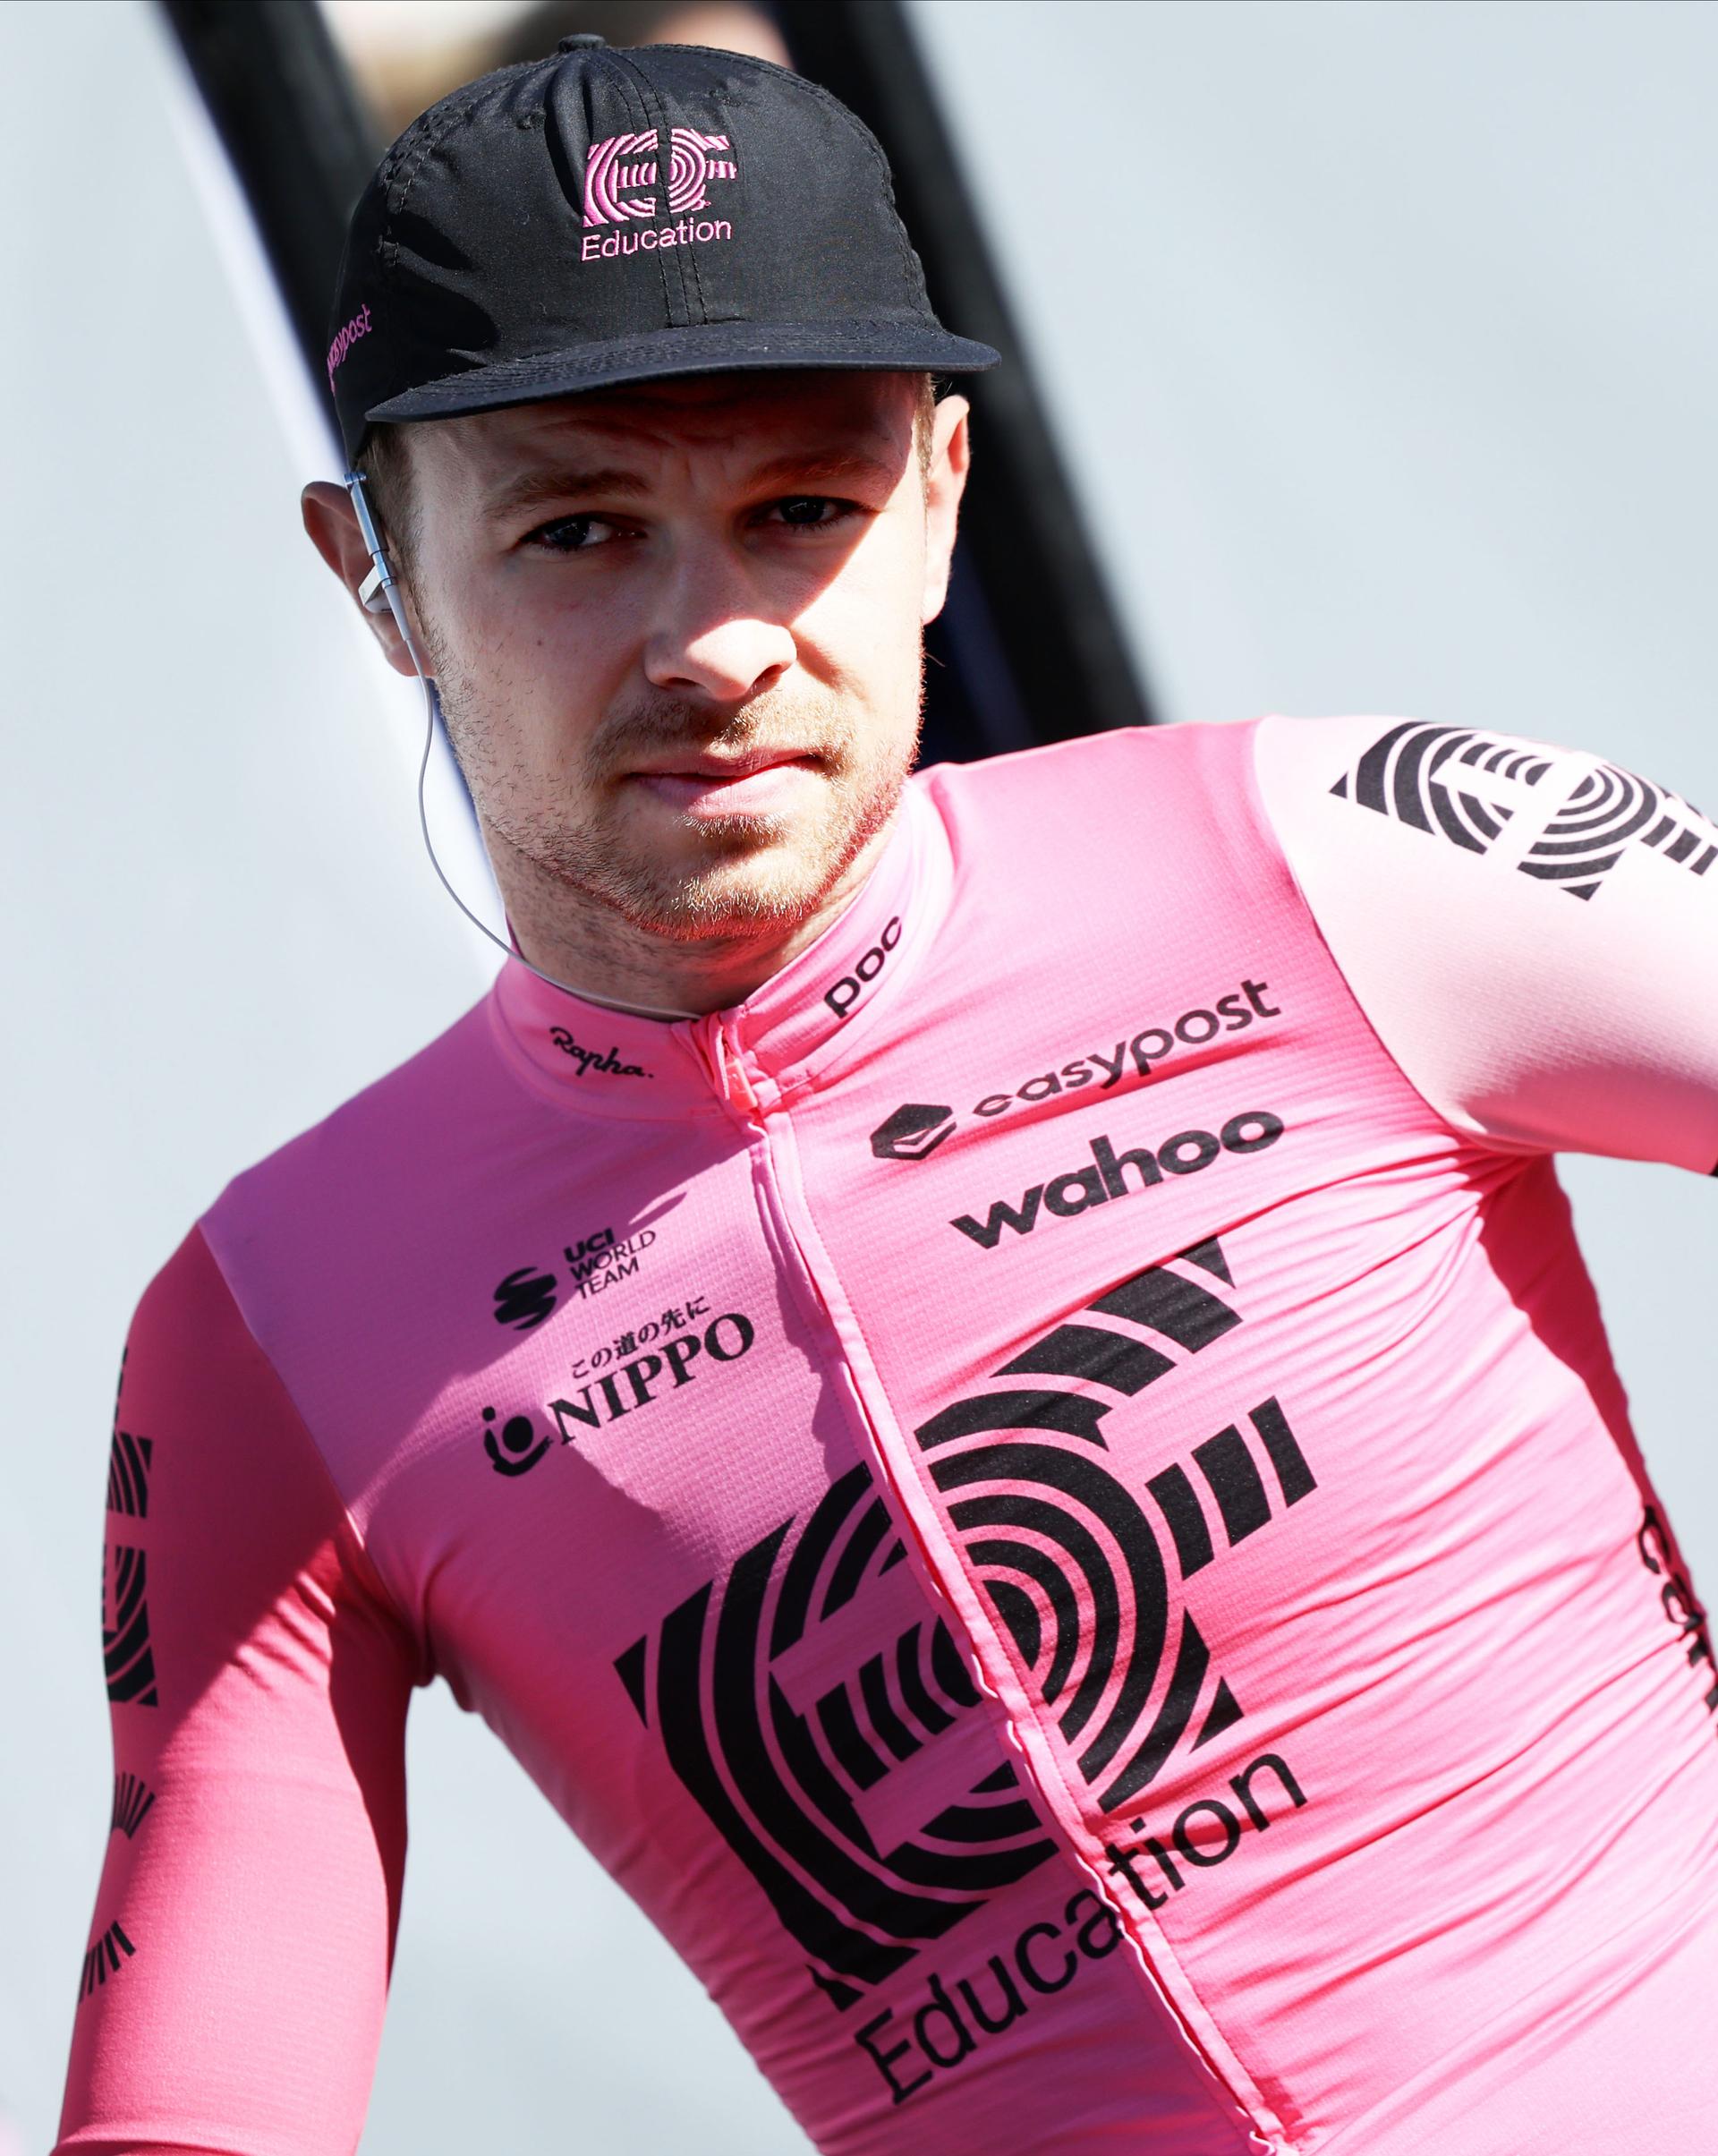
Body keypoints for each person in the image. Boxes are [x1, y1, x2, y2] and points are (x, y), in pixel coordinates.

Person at [56, 34, 1718, 2156]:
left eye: (800, 509)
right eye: (577, 530)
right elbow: (195, 2108)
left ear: (940, 497)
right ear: (371, 566)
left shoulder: (1352, 857)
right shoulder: (272, 1330)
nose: (712, 636)